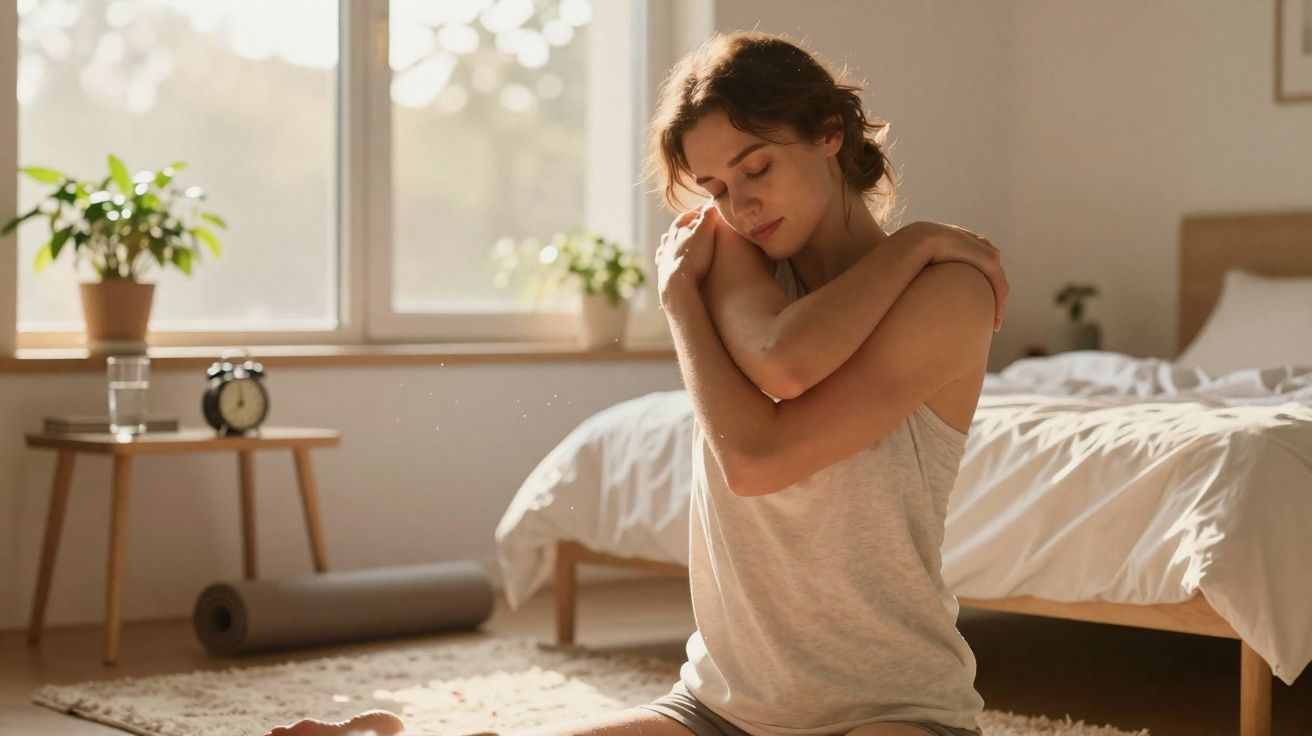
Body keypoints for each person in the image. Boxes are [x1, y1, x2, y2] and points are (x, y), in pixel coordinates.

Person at [261, 29, 1007, 736]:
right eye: (715, 186)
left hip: (892, 706)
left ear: (829, 132)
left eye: (756, 167)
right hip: (722, 707)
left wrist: (912, 243)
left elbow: (762, 444)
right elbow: (785, 355)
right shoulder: (733, 249)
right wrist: (683, 302)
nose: (739, 206)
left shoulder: (950, 294)